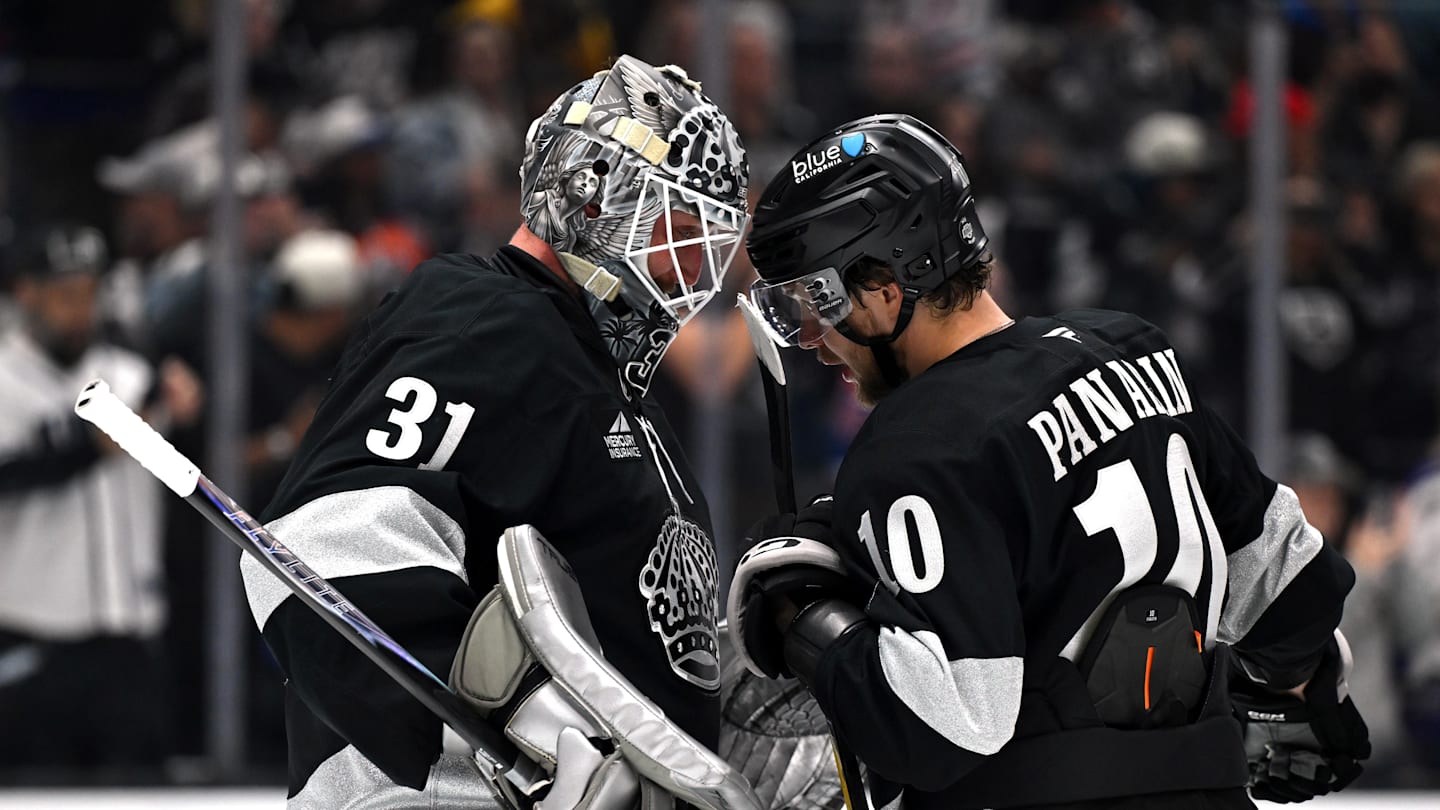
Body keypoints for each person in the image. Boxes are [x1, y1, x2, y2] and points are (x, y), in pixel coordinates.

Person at [729, 114, 1371, 809]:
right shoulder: (1133, 349)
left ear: (886, 285)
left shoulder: (915, 441)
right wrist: (1305, 693)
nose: (817, 342)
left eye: (816, 303)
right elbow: (1294, 591)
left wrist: (809, 622)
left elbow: (945, 730)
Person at [240, 55, 751, 807]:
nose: (689, 275)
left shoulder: (607, 380)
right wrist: (538, 740)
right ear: (590, 198)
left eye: (708, 246)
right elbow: (330, 546)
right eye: (674, 234)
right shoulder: (484, 318)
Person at [0, 224, 201, 780]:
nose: (79, 310)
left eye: (88, 294)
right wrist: (81, 450)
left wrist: (187, 415)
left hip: (129, 642)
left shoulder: (131, 375)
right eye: (64, 295)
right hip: (31, 641)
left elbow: (185, 485)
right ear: (27, 293)